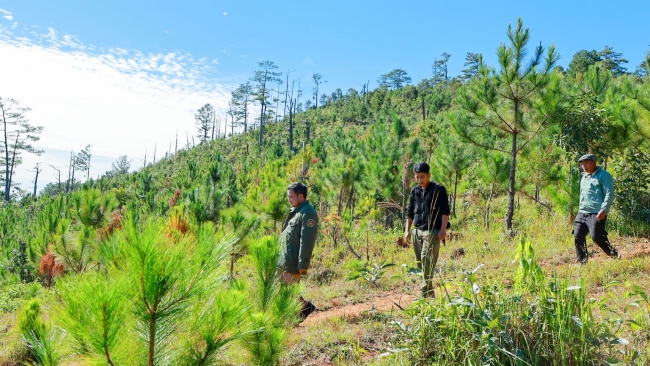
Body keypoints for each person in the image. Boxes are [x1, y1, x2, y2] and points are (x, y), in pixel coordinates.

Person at [404, 162, 450, 298]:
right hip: (417, 231)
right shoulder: (415, 191)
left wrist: (443, 229)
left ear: (429, 175)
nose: (420, 180)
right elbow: (410, 212)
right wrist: (407, 230)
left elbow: (445, 211)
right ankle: (429, 293)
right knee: (420, 263)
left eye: (422, 177)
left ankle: (424, 292)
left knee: (427, 259)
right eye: (417, 177)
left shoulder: (438, 190)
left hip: (432, 231)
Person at [279, 182, 319, 319]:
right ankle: (295, 314)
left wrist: (303, 263)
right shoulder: (296, 212)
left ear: (301, 196)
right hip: (284, 260)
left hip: (293, 260)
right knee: (283, 291)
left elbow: (307, 240)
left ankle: (304, 309)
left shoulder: (308, 213)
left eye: (291, 197)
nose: (289, 200)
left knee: (291, 291)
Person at [574, 154, 619, 264]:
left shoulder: (604, 176)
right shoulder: (584, 176)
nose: (584, 166)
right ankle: (582, 262)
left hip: (597, 212)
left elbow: (610, 193)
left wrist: (604, 209)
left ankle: (613, 253)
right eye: (582, 164)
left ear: (594, 162)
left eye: (587, 163)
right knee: (578, 236)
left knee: (596, 236)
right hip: (582, 212)